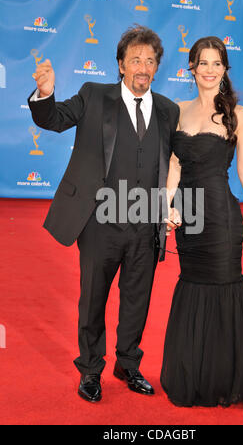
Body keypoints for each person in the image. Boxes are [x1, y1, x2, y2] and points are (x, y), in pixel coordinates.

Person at [28, 25, 179, 403]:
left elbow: (175, 164)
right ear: (121, 65)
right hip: (100, 221)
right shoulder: (94, 95)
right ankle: (91, 370)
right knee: (93, 298)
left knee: (137, 299)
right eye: (135, 60)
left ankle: (127, 363)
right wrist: (45, 94)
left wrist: (174, 207)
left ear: (157, 67)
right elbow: (54, 119)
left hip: (146, 223)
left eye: (150, 60)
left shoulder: (168, 110)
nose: (142, 67)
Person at [161, 36, 243, 408]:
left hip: (222, 217)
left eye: (216, 63)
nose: (209, 70)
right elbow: (174, 165)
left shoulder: (238, 114)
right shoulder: (176, 110)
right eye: (202, 63)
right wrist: (166, 206)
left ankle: (224, 378)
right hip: (189, 218)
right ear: (191, 67)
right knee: (192, 284)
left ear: (225, 69)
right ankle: (194, 375)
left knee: (224, 285)